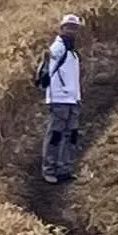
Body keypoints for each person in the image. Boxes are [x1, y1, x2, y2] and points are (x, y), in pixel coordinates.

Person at [41, 13, 83, 185]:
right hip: (59, 100)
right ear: (62, 29)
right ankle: (49, 169)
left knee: (70, 136)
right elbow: (47, 60)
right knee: (56, 135)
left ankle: (64, 169)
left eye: (74, 28)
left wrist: (77, 97)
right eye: (69, 27)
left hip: (71, 100)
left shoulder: (72, 52)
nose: (72, 31)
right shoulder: (58, 48)